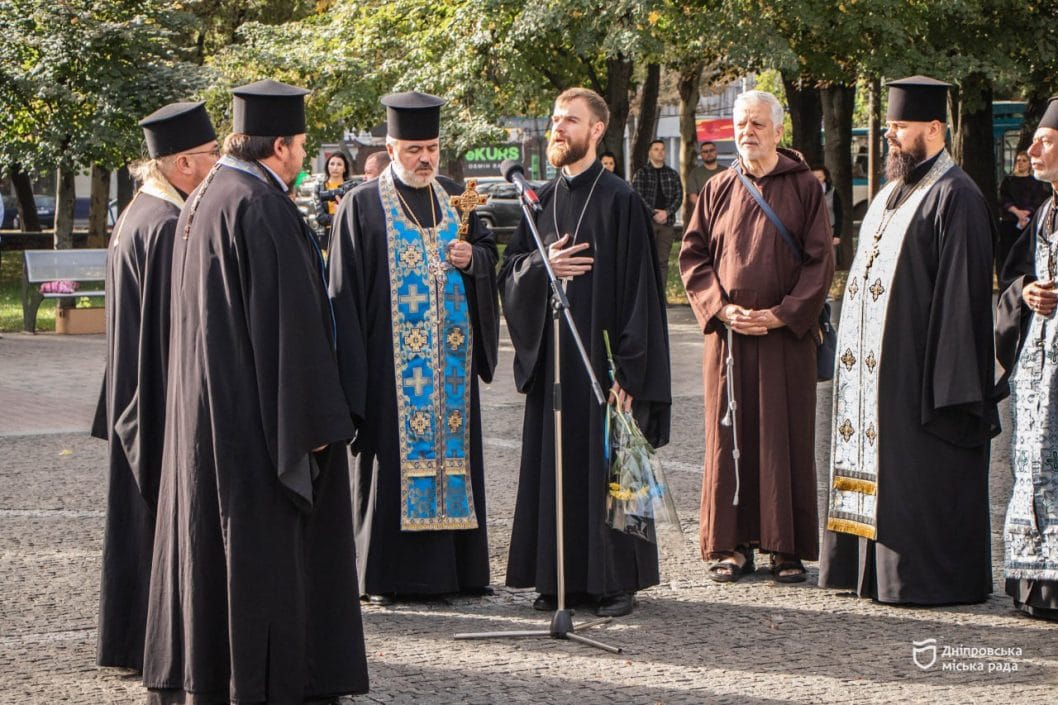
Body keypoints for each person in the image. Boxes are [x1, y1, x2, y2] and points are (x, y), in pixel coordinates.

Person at [143, 79, 369, 702]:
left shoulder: (204, 196)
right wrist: (318, 430)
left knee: (213, 568)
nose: (304, 156)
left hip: (212, 424)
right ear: (279, 146)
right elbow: (291, 331)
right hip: (257, 440)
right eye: (300, 145)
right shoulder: (262, 207)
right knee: (263, 574)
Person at [820, 76, 998, 605]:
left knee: (918, 479)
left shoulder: (957, 196)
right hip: (874, 380)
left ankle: (920, 581)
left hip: (918, 380)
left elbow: (962, 301)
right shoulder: (891, 195)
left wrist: (948, 390)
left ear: (935, 128)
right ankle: (865, 572)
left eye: (899, 127)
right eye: (889, 126)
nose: (890, 137)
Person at [500, 87, 671, 618]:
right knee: (558, 465)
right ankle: (557, 580)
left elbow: (644, 291)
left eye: (569, 121)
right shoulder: (541, 202)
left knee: (610, 470)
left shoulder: (622, 200)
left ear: (596, 130)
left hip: (604, 368)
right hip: (555, 367)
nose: (558, 129)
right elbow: (511, 275)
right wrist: (540, 267)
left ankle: (617, 581)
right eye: (555, 120)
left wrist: (632, 370)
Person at [328, 91, 499, 605]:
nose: (425, 158)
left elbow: (490, 257)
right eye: (413, 149)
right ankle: (387, 577)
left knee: (454, 458)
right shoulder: (361, 206)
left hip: (450, 372)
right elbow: (342, 296)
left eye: (432, 148)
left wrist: (473, 260)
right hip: (390, 373)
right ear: (391, 145)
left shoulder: (455, 200)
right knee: (392, 466)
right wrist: (352, 382)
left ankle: (457, 572)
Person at [679, 90, 833, 584]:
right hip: (729, 339)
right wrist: (721, 308)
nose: (747, 132)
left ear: (778, 132)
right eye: (741, 124)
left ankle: (784, 547)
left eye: (757, 125)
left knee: (783, 438)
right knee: (729, 438)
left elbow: (819, 262)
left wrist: (781, 315)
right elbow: (694, 255)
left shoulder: (806, 187)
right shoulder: (719, 187)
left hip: (784, 339)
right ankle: (731, 544)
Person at [89, 101, 217, 673]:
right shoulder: (168, 226)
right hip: (158, 400)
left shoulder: (139, 213)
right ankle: (155, 642)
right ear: (183, 162)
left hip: (131, 396)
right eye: (212, 156)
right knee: (152, 529)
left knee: (134, 531)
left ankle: (129, 637)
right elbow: (177, 332)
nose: (218, 165)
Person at [995, 97, 1058, 621]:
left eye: (1046, 140)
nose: (1032, 149)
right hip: (1040, 367)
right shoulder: (1043, 210)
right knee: (1031, 464)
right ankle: (1034, 582)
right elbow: (1014, 277)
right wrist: (1028, 290)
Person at [631, 139, 683, 285]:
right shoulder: (641, 173)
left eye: (662, 149)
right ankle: (647, 295)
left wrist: (666, 213)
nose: (660, 152)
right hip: (648, 223)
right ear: (649, 153)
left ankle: (661, 297)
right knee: (646, 259)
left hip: (667, 224)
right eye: (656, 149)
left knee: (662, 261)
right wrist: (653, 213)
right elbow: (637, 196)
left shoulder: (672, 174)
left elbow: (679, 196)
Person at [997, 150, 1052, 279]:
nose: (1020, 163)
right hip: (1010, 223)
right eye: (1018, 160)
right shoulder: (1008, 181)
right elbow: (1004, 199)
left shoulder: (1036, 182)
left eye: (1024, 160)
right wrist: (1017, 212)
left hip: (1029, 223)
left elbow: (1038, 200)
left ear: (1029, 164)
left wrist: (1026, 214)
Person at [685, 141, 724, 219]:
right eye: (705, 151)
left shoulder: (726, 172)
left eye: (711, 150)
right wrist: (707, 210)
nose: (709, 153)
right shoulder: (695, 173)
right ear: (701, 154)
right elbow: (693, 197)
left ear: (716, 152)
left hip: (723, 214)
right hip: (703, 216)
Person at [811, 164, 844, 251]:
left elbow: (839, 213)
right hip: (812, 233)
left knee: (830, 260)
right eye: (814, 177)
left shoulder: (832, 192)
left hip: (830, 231)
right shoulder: (806, 192)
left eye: (820, 177)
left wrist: (837, 235)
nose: (817, 180)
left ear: (825, 177)